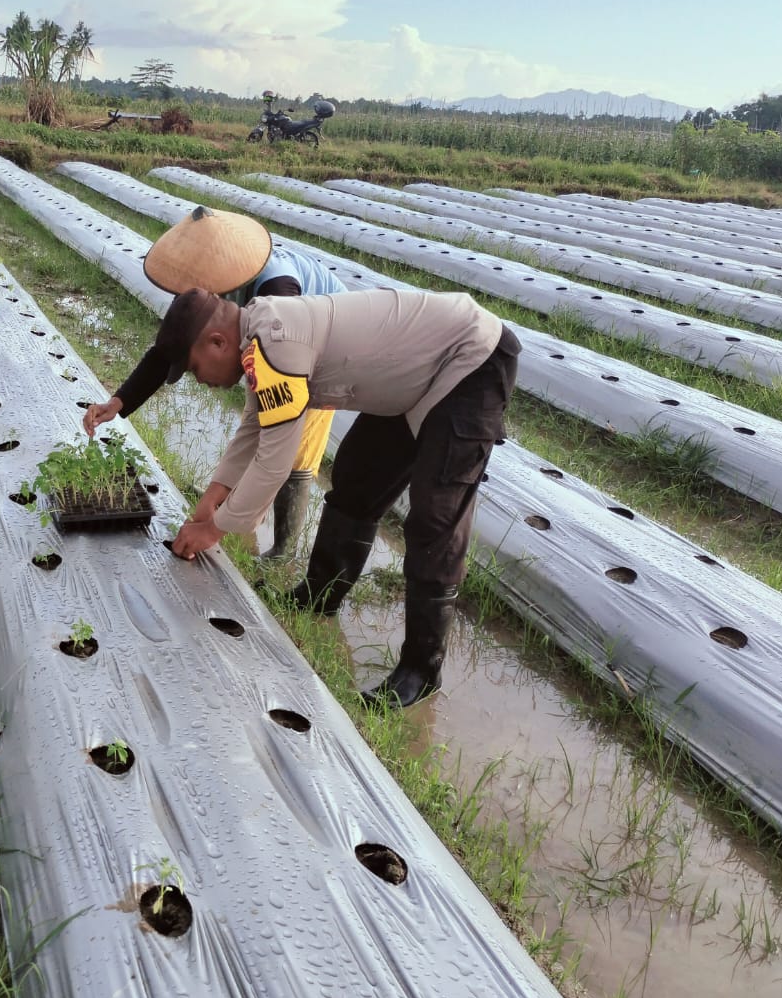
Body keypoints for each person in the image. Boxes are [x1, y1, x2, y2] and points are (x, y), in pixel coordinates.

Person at [161, 283, 521, 708]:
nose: (201, 380)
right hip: (414, 380)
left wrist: (216, 529)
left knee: (435, 518)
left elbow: (276, 461)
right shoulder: (258, 335)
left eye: (196, 368)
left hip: (469, 362)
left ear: (217, 341)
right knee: (357, 475)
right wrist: (213, 497)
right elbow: (255, 424)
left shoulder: (275, 343)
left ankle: (422, 671)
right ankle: (319, 595)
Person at [82, 204, 348, 560]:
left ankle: (282, 550)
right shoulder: (212, 286)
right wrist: (118, 402)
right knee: (255, 426)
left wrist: (214, 527)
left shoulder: (278, 286)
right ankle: (229, 501)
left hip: (325, 358)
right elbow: (170, 349)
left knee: (292, 450)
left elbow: (282, 375)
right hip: (282, 350)